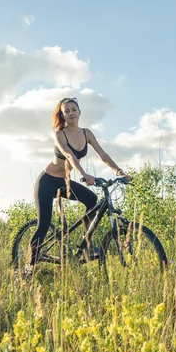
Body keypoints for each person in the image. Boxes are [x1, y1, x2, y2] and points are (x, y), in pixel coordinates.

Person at [27, 97, 131, 274]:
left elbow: (103, 154)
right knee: (43, 224)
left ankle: (86, 245)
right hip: (47, 181)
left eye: (73, 109)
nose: (70, 113)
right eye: (66, 111)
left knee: (92, 199)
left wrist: (119, 171)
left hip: (64, 182)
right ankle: (28, 266)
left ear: (79, 112)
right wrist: (83, 174)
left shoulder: (86, 133)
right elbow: (69, 156)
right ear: (62, 114)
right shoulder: (59, 134)